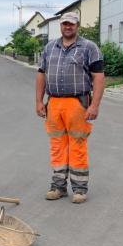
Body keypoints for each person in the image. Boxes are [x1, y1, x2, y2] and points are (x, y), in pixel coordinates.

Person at [35, 12, 104, 204]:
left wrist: (95, 105)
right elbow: (41, 74)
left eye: (71, 24)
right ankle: (58, 187)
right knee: (57, 146)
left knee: (78, 145)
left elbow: (98, 77)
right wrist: (39, 101)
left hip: (78, 103)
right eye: (65, 24)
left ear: (77, 26)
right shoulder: (49, 47)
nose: (68, 27)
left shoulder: (89, 47)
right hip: (54, 103)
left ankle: (80, 189)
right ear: (60, 26)